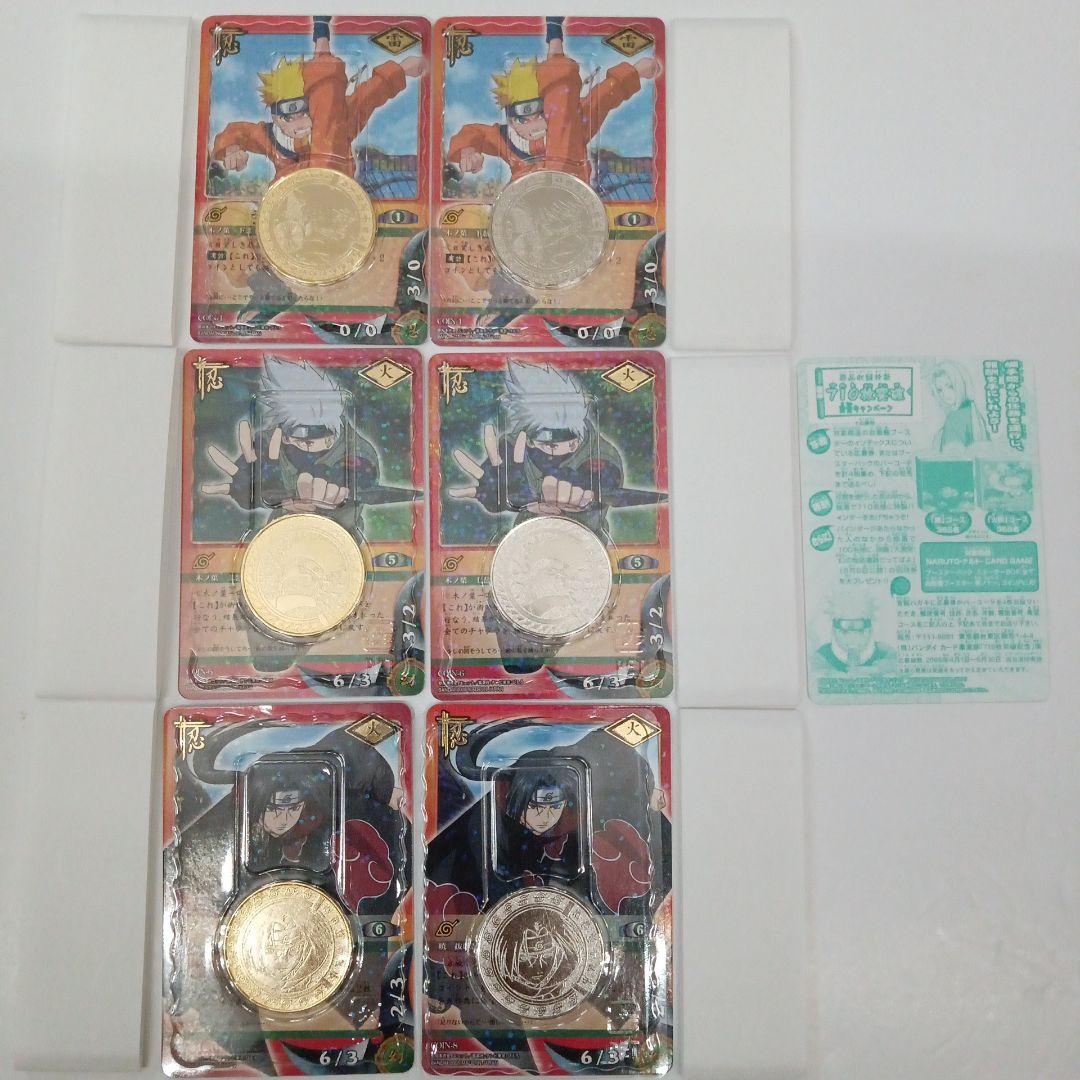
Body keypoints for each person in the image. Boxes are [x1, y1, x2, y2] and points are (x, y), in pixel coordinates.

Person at [447, 16, 660, 184]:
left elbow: (604, 96)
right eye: (523, 119)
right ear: (512, 121)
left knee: (561, 91)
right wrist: (469, 151)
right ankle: (555, 43)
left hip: (571, 200)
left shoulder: (573, 123)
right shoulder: (506, 138)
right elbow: (473, 132)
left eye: (540, 115)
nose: (534, 124)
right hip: (524, 206)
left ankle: (555, 43)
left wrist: (635, 71)